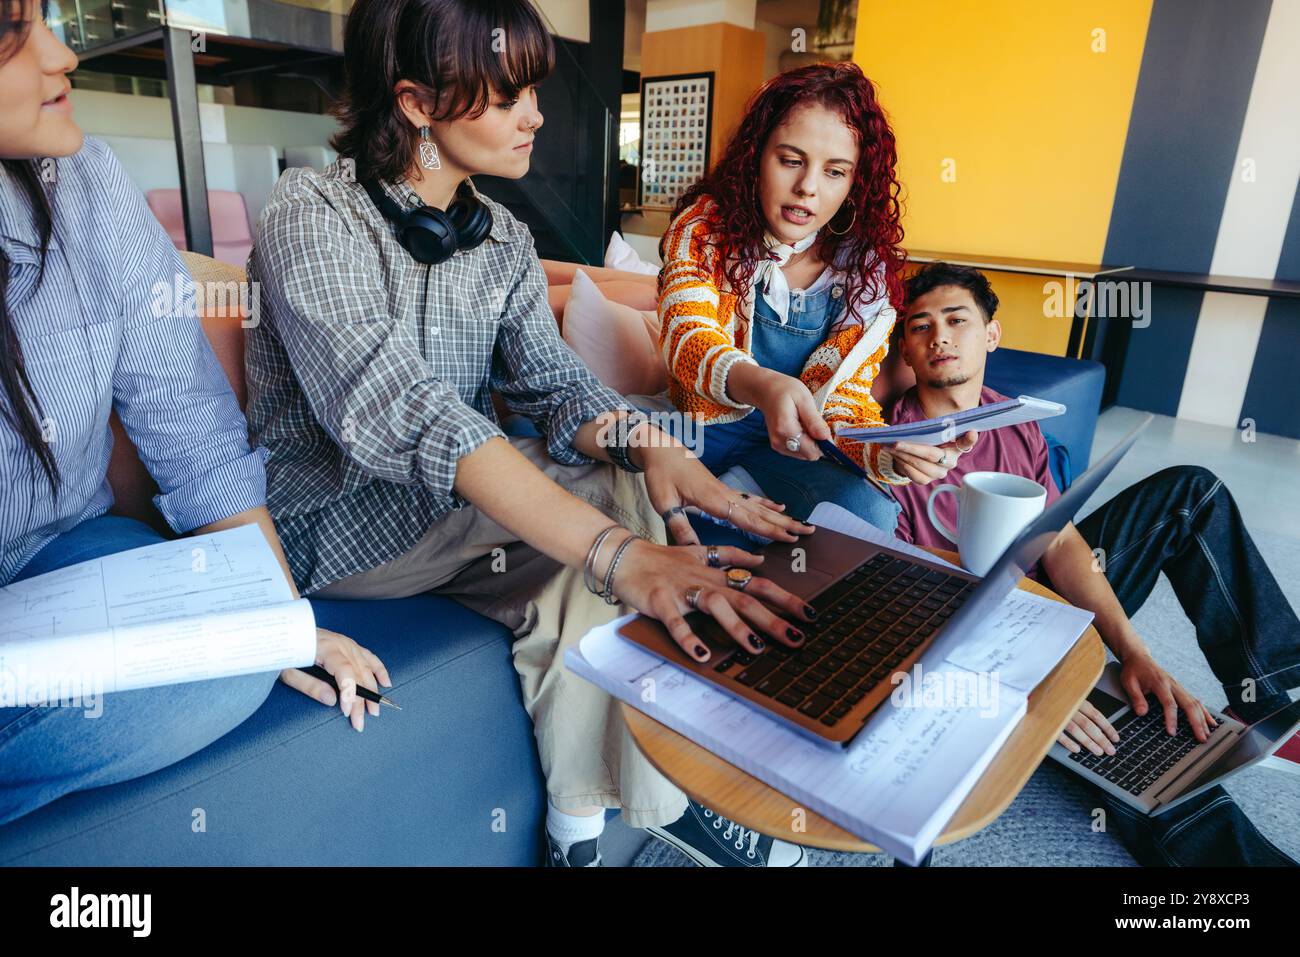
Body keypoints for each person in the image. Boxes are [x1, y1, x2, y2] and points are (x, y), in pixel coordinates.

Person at [244, 0, 819, 867]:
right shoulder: (309, 212)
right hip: (343, 529)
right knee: (604, 516)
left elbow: (556, 389)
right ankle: (682, 791)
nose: (536, 116)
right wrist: (621, 551)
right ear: (414, 102)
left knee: (615, 492)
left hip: (450, 524)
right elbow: (398, 408)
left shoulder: (502, 236)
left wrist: (652, 442)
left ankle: (580, 832)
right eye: (509, 96)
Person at [0, 1, 389, 827]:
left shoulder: (90, 185)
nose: (62, 56)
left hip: (62, 554)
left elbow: (192, 427)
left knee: (235, 653)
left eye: (45, 17)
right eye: (12, 34)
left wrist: (283, 620)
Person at [889, 261, 1299, 866]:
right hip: (967, 632)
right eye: (920, 326)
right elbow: (905, 599)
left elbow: (1060, 542)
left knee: (1191, 490)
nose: (939, 338)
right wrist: (1028, 689)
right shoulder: (891, 446)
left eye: (957, 321)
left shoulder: (1015, 418)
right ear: (905, 346)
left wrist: (1133, 649)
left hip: (1042, 595)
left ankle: (1270, 692)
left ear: (991, 335)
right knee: (1138, 747)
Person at [649, 63, 977, 531]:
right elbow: (686, 339)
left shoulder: (864, 275)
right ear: (756, 156)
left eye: (835, 171)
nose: (808, 187)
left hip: (790, 452)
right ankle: (719, 509)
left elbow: (840, 403)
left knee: (871, 516)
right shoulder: (705, 228)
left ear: (854, 184)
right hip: (693, 430)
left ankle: (730, 502)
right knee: (598, 444)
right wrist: (766, 386)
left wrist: (887, 452)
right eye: (790, 160)